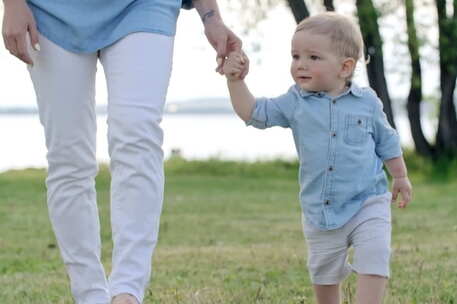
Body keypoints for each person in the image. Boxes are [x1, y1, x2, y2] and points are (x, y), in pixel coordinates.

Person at [2, 0, 247, 303]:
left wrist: (211, 16)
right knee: (68, 156)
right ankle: (90, 295)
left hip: (144, 5)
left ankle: (127, 291)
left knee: (138, 133)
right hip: (51, 11)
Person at [223, 12, 412, 304]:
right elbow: (253, 113)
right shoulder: (295, 102)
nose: (300, 64)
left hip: (368, 201)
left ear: (345, 67)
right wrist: (235, 81)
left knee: (375, 254)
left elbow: (387, 140)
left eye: (313, 57)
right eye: (296, 56)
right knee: (324, 274)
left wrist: (399, 176)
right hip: (321, 210)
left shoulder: (367, 103)